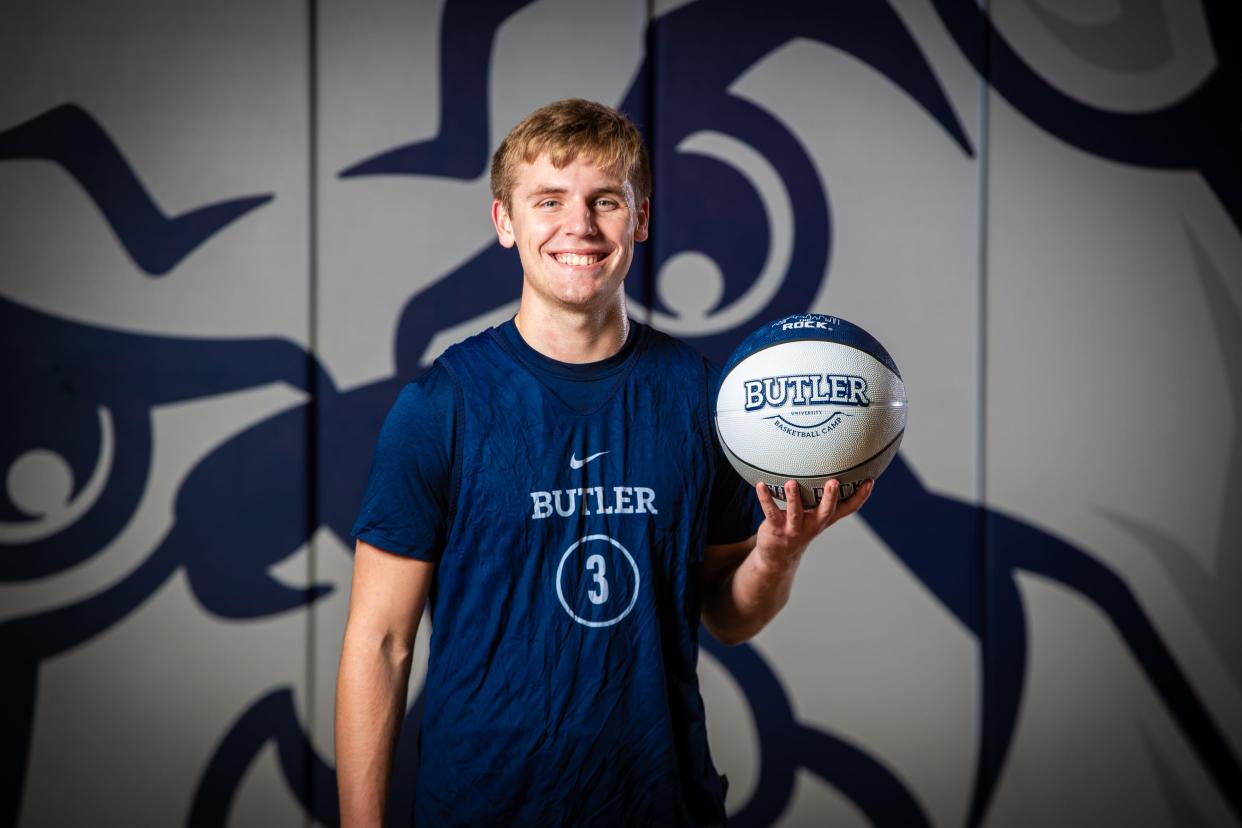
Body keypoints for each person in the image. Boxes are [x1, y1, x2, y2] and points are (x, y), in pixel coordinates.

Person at [335, 98, 874, 827]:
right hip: (482, 806)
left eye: (606, 201)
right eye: (549, 201)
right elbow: (381, 644)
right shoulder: (442, 406)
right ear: (505, 222)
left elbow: (728, 617)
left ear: (641, 219)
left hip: (658, 802)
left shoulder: (705, 400)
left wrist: (779, 553)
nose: (579, 227)